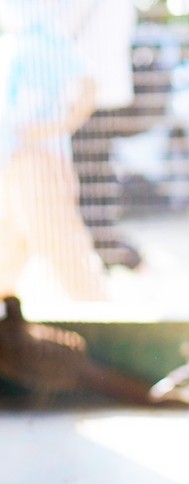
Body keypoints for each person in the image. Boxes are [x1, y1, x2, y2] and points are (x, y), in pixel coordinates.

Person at [0, 0, 109, 301]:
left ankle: (102, 315)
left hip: (36, 161)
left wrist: (59, 125)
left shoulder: (43, 41)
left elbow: (89, 85)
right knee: (9, 245)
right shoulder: (15, 42)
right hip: (12, 163)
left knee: (63, 248)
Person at [67, 0, 140, 270]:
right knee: (97, 180)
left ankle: (114, 256)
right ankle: (109, 256)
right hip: (102, 94)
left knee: (87, 184)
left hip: (82, 95)